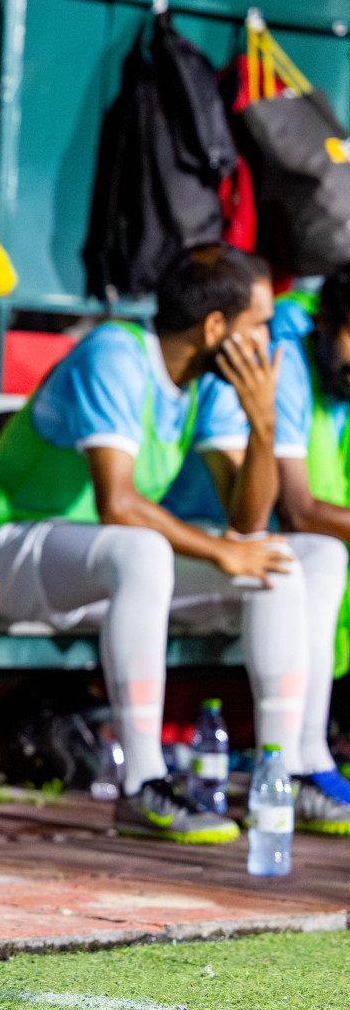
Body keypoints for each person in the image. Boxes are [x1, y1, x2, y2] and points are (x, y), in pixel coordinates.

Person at [0, 243, 326, 844]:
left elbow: (248, 521)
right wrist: (223, 551)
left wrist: (263, 423)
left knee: (280, 563)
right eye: (258, 326)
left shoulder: (208, 381)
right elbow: (119, 503)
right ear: (214, 328)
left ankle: (277, 776)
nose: (269, 343)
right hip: (2, 551)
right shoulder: (117, 353)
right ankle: (143, 784)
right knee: (144, 547)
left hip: (104, 566)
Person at [233, 272, 350, 832]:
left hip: (262, 542)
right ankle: (280, 769)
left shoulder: (335, 367)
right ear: (324, 325)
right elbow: (299, 509)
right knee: (304, 553)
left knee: (326, 556)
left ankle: (309, 759)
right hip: (209, 528)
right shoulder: (288, 347)